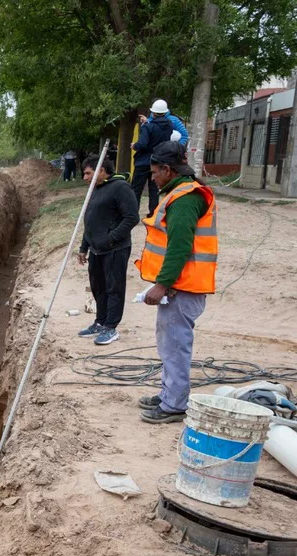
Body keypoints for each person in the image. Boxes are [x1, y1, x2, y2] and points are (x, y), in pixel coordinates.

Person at [135, 141, 218, 424]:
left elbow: (179, 246)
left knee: (175, 345)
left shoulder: (184, 198)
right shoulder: (180, 193)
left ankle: (174, 405)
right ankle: (169, 394)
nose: (152, 177)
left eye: (155, 171)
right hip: (180, 285)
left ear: (168, 170)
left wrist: (162, 284)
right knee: (169, 343)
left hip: (185, 286)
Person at [76, 155, 139, 345]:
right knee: (98, 287)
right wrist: (84, 247)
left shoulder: (120, 188)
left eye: (88, 173)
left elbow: (131, 218)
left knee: (114, 288)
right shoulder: (95, 190)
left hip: (115, 249)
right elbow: (90, 221)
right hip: (96, 249)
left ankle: (111, 327)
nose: (85, 178)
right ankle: (100, 321)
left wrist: (110, 239)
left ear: (102, 170)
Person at [132, 101, 174, 216]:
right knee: (154, 190)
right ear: (165, 112)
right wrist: (148, 122)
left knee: (136, 190)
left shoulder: (147, 127)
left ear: (153, 113)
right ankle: (153, 213)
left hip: (143, 162)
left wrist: (134, 145)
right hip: (159, 161)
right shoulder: (169, 125)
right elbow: (157, 129)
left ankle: (133, 214)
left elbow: (142, 144)